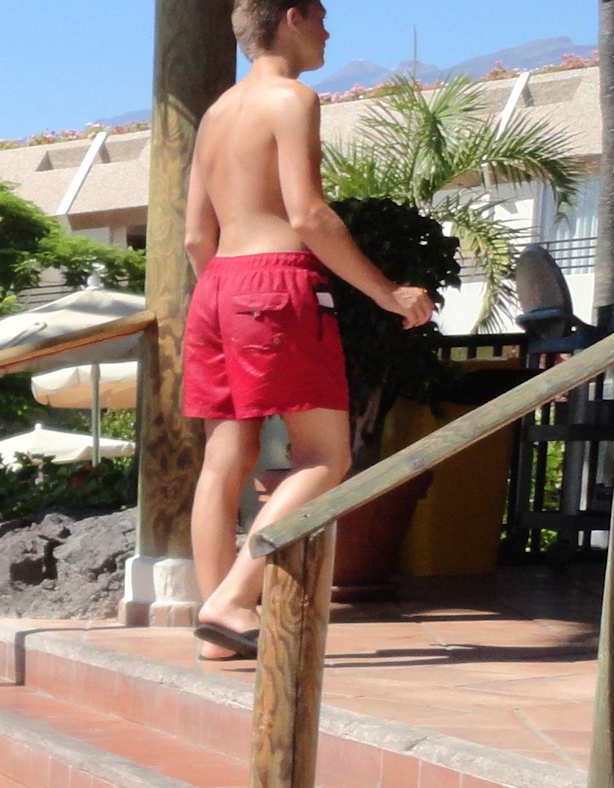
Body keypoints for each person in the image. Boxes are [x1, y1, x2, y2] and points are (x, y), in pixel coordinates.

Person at [181, 0, 433, 660]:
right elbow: (309, 215)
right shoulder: (291, 99)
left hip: (215, 289)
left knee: (223, 461)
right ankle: (234, 600)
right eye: (320, 17)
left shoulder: (215, 114)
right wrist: (388, 293)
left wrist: (227, 298)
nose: (328, 30)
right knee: (325, 457)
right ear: (291, 17)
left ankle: (216, 628)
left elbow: (195, 237)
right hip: (274, 282)